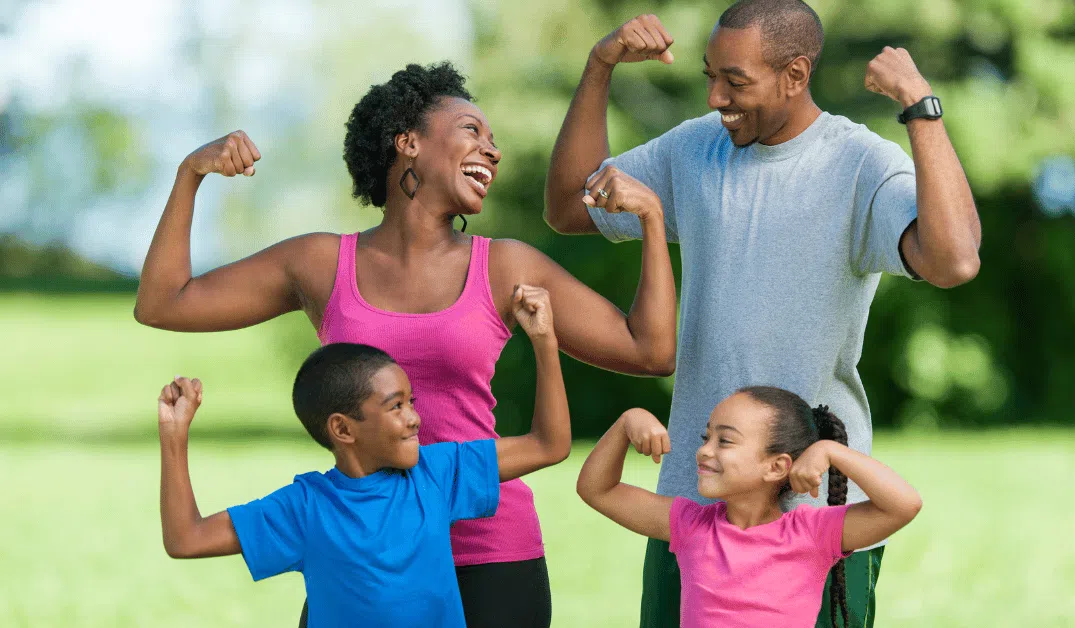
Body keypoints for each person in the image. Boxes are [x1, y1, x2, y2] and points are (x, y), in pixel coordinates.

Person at [135, 62, 676, 626]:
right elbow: (163, 303)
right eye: (472, 129)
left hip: (489, 551)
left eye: (493, 140)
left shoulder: (505, 266)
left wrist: (653, 222)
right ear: (408, 142)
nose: (492, 151)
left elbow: (649, 351)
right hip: (361, 549)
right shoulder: (320, 264)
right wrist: (190, 173)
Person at [543, 2, 980, 624]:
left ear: (796, 75)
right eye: (710, 76)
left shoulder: (860, 164)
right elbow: (567, 206)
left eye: (737, 81)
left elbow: (955, 260)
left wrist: (919, 105)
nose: (718, 96)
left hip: (817, 516)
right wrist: (600, 65)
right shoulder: (694, 149)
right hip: (695, 509)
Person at [156, 286, 570, 628]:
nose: (414, 419)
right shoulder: (305, 507)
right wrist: (174, 437)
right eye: (396, 406)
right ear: (342, 429)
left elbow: (548, 445)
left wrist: (545, 341)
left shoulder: (437, 474)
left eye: (412, 402)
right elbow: (186, 539)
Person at [576, 387, 922, 627]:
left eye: (724, 441)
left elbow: (904, 505)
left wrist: (833, 453)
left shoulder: (812, 534)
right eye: (706, 437)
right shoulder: (690, 525)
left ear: (776, 467)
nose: (704, 451)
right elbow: (597, 490)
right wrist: (627, 422)